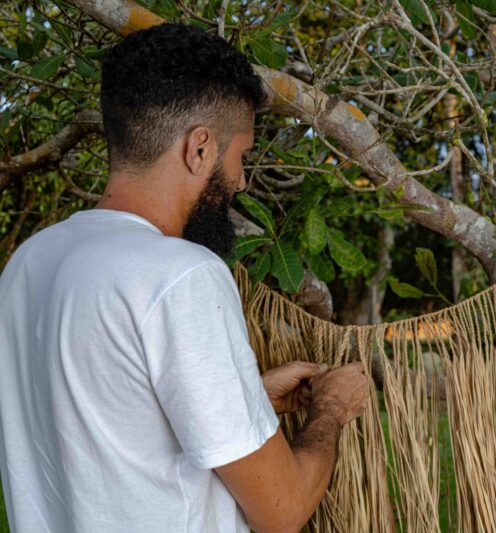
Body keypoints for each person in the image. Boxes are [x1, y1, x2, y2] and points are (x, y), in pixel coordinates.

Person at [0, 23, 369, 533]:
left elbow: (104, 424)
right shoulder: (181, 274)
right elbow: (282, 510)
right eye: (240, 156)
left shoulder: (29, 262)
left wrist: (249, 400)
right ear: (199, 148)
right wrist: (330, 409)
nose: (241, 181)